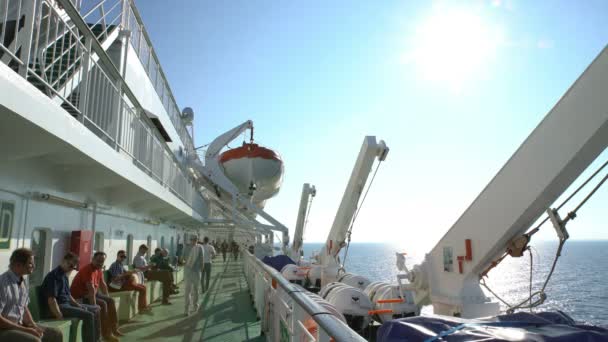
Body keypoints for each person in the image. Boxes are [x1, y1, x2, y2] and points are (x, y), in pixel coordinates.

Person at [0, 248, 63, 342]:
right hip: (4, 329)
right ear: (18, 264)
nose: (33, 266)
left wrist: (33, 325)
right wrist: (26, 330)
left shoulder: (23, 281)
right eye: (30, 263)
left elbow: (24, 307)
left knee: (55, 334)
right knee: (34, 340)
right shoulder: (3, 283)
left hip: (19, 325)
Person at [41, 252, 101, 342]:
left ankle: (97, 339)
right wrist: (59, 315)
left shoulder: (64, 275)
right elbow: (52, 299)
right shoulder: (53, 276)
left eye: (73, 267)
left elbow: (68, 295)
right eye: (70, 265)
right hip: (59, 306)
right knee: (88, 315)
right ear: (64, 261)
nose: (71, 268)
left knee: (96, 309)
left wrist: (78, 305)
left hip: (67, 304)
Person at [70, 252, 123, 341]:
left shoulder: (99, 269)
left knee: (110, 301)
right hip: (80, 297)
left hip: (91, 293)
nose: (100, 263)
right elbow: (91, 291)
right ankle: (106, 334)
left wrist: (107, 297)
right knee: (102, 305)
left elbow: (103, 284)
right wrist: (94, 308)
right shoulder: (87, 270)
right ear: (93, 259)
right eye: (98, 261)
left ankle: (114, 328)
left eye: (102, 261)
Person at [184, 236, 205, 316]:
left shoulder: (188, 247)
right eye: (192, 240)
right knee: (192, 290)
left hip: (191, 271)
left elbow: (182, 258)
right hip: (193, 272)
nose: (193, 241)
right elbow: (202, 260)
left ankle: (190, 308)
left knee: (191, 290)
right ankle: (191, 308)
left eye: (193, 240)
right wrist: (201, 270)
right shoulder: (199, 248)